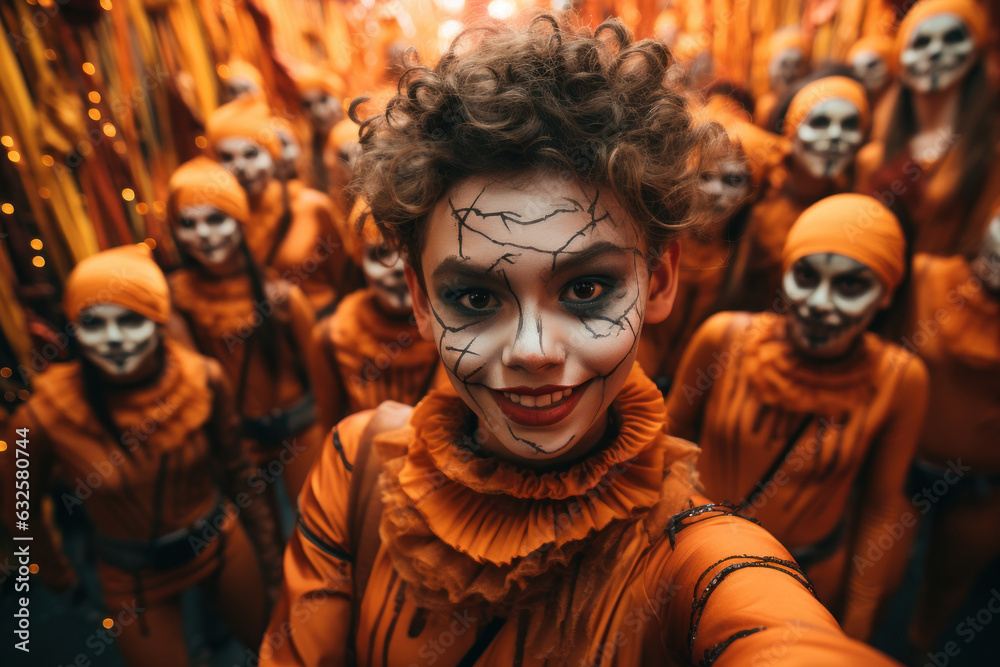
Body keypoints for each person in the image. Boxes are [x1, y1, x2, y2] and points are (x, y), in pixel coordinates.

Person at [260, 16, 902, 665]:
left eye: (587, 289)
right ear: (422, 302)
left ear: (658, 280)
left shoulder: (693, 559)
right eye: (476, 298)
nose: (534, 350)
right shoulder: (357, 468)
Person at [0, 244, 281, 666]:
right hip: (132, 576)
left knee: (275, 652)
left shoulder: (203, 379)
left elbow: (241, 472)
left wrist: (270, 559)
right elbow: (19, 508)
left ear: (159, 321)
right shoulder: (41, 417)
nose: (114, 339)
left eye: (131, 319)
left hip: (220, 543)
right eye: (93, 323)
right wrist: (59, 576)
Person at [666, 193, 929, 641]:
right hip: (692, 562)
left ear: (885, 293)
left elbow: (881, 507)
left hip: (807, 580)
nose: (820, 303)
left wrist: (858, 620)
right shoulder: (724, 337)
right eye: (806, 276)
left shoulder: (901, 379)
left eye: (850, 285)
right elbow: (665, 447)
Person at [166, 157, 324, 533]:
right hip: (239, 442)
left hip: (299, 429)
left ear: (239, 222)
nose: (204, 233)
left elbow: (321, 377)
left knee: (319, 525)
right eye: (188, 223)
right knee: (260, 534)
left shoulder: (281, 296)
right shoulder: (177, 299)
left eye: (216, 219)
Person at [903, 202, 1000, 653]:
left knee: (944, 596)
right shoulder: (928, 276)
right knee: (872, 580)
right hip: (903, 468)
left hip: (984, 485)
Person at [856, 0, 1000, 256]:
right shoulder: (870, 158)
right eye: (920, 42)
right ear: (901, 57)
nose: (935, 51)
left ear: (976, 53)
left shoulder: (990, 158)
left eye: (953, 38)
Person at [733, 76, 870, 311]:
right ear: (793, 130)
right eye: (819, 122)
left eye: (849, 125)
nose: (835, 135)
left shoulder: (854, 210)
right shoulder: (754, 184)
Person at [206, 96, 347, 317]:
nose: (241, 166)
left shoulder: (312, 206)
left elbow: (345, 277)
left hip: (324, 325)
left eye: (251, 153)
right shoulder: (219, 220)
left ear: (271, 155)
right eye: (227, 157)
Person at [309, 210, 445, 433]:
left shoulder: (455, 330)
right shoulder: (332, 335)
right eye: (380, 255)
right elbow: (332, 434)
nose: (399, 268)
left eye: (410, 252)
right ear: (359, 261)